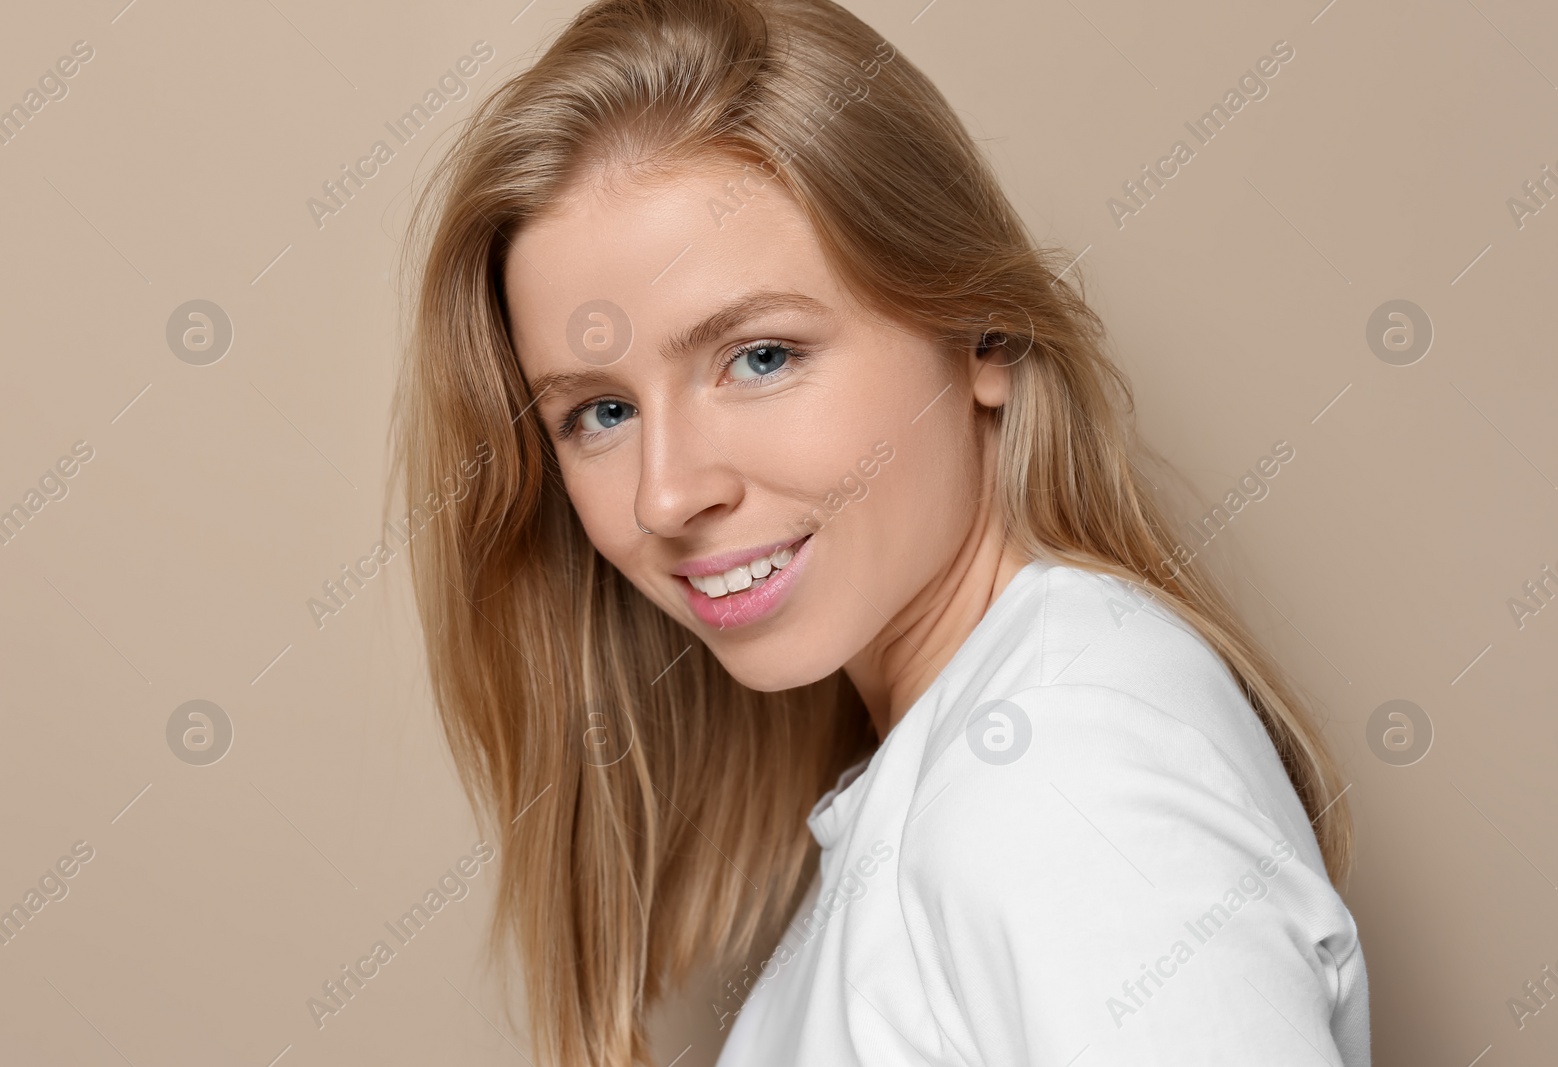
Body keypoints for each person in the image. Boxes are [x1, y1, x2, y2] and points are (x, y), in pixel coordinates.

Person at [388, 0, 1370, 1063]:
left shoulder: (1058, 777)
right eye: (601, 412)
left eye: (759, 356)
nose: (664, 495)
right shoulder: (981, 750)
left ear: (980, 332)